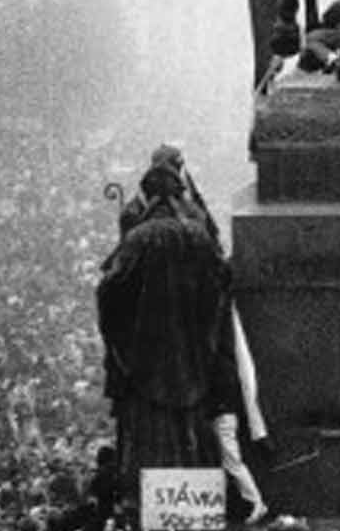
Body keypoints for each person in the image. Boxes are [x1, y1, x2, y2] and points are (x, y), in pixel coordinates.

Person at [96, 158, 240, 493]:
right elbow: (223, 279)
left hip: (148, 353)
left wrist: (123, 340)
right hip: (193, 351)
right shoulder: (198, 236)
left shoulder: (138, 238)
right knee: (192, 423)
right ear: (177, 197)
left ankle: (150, 495)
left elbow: (109, 291)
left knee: (151, 430)